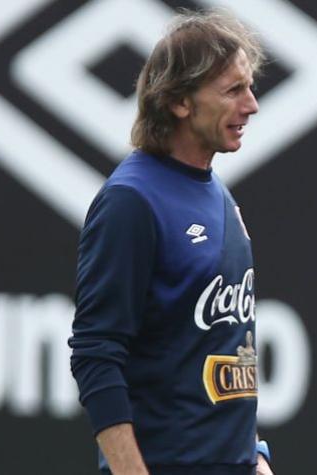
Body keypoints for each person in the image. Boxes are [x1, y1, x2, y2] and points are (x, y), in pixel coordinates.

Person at [69, 9, 273, 475]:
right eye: (233, 90)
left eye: (250, 87)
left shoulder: (217, 192)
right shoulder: (132, 200)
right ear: (180, 102)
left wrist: (255, 455)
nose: (252, 105)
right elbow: (95, 353)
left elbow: (223, 347)